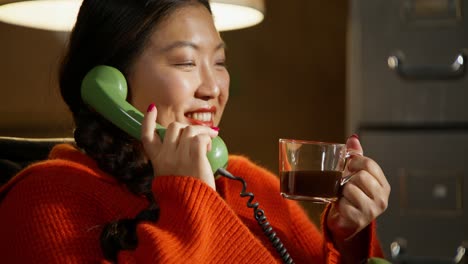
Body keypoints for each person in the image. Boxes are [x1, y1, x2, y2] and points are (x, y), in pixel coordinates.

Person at [0, 0, 391, 263]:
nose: (213, 88)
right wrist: (189, 199)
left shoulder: (248, 184)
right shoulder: (42, 201)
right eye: (187, 62)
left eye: (219, 62)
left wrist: (348, 235)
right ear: (109, 83)